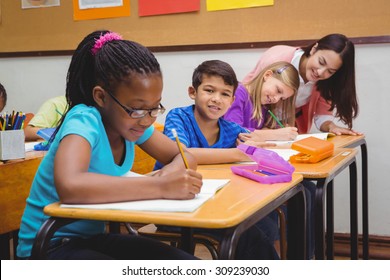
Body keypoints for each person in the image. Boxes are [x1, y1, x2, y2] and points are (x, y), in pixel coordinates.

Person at [16, 30, 203, 260]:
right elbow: (70, 185)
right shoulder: (84, 120)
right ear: (101, 97)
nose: (147, 119)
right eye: (138, 109)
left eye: (155, 108)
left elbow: (185, 156)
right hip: (49, 245)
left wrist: (171, 176)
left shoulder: (131, 124)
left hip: (89, 240)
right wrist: (162, 186)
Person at [155, 60, 280, 260]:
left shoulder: (231, 129)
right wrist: (237, 153)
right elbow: (181, 153)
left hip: (216, 204)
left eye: (225, 94)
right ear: (193, 92)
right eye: (209, 90)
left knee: (266, 218)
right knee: (248, 234)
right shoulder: (178, 117)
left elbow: (254, 142)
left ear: (232, 100)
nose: (217, 99)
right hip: (174, 206)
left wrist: (257, 144)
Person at [241, 33, 362, 136]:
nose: (320, 72)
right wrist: (270, 132)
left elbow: (322, 114)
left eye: (330, 71)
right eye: (321, 62)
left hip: (280, 131)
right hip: (253, 124)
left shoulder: (326, 81)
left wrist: (332, 127)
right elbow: (254, 95)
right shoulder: (277, 60)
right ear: (314, 49)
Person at [224, 61, 300, 142]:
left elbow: (262, 130)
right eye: (278, 90)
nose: (276, 99)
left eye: (281, 98)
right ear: (267, 75)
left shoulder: (265, 104)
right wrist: (275, 134)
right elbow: (233, 132)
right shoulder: (238, 92)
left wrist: (278, 130)